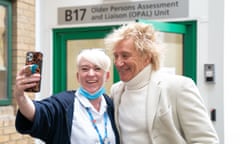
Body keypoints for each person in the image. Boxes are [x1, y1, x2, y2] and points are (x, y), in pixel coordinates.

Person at [104, 22, 219, 144]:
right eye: (116, 56)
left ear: (147, 57)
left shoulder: (178, 87)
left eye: (125, 56)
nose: (118, 62)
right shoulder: (116, 91)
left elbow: (206, 140)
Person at [14, 49, 120, 144]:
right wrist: (20, 96)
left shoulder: (111, 105)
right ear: (78, 76)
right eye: (84, 69)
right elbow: (39, 112)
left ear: (107, 76)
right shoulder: (64, 103)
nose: (91, 74)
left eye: (97, 69)